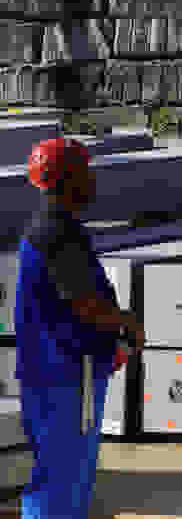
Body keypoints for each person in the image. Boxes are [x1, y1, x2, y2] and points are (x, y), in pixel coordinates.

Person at [14, 136, 143, 519]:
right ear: (69, 180)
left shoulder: (51, 228)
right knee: (63, 478)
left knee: (60, 473)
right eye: (87, 173)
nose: (93, 182)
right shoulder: (58, 234)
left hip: (57, 371)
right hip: (69, 373)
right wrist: (128, 323)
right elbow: (85, 305)